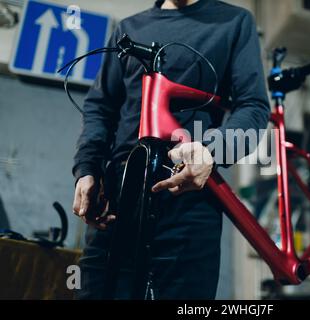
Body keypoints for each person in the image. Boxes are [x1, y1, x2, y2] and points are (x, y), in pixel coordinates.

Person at [72, 0, 270, 299]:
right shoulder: (128, 28)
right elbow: (100, 108)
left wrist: (212, 150)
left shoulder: (234, 22)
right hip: (117, 200)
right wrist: (87, 170)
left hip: (188, 199)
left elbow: (253, 107)